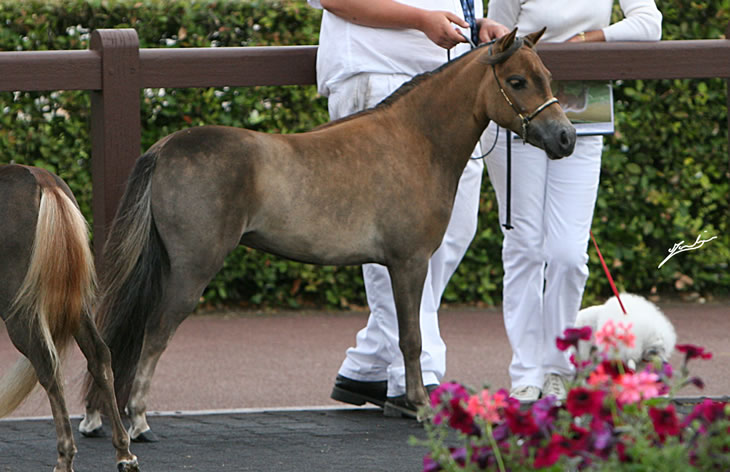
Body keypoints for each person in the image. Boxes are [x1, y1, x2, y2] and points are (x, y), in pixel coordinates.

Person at [306, 0, 509, 417]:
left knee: (454, 229)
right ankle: (415, 378)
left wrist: (474, 24)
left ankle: (371, 363)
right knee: (396, 238)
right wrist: (421, 20)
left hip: (449, 77)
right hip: (377, 73)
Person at [483, 0, 662, 402]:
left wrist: (589, 40)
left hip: (583, 117)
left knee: (567, 254)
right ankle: (527, 372)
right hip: (520, 121)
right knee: (525, 248)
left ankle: (558, 369)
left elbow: (650, 24)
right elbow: (495, 39)